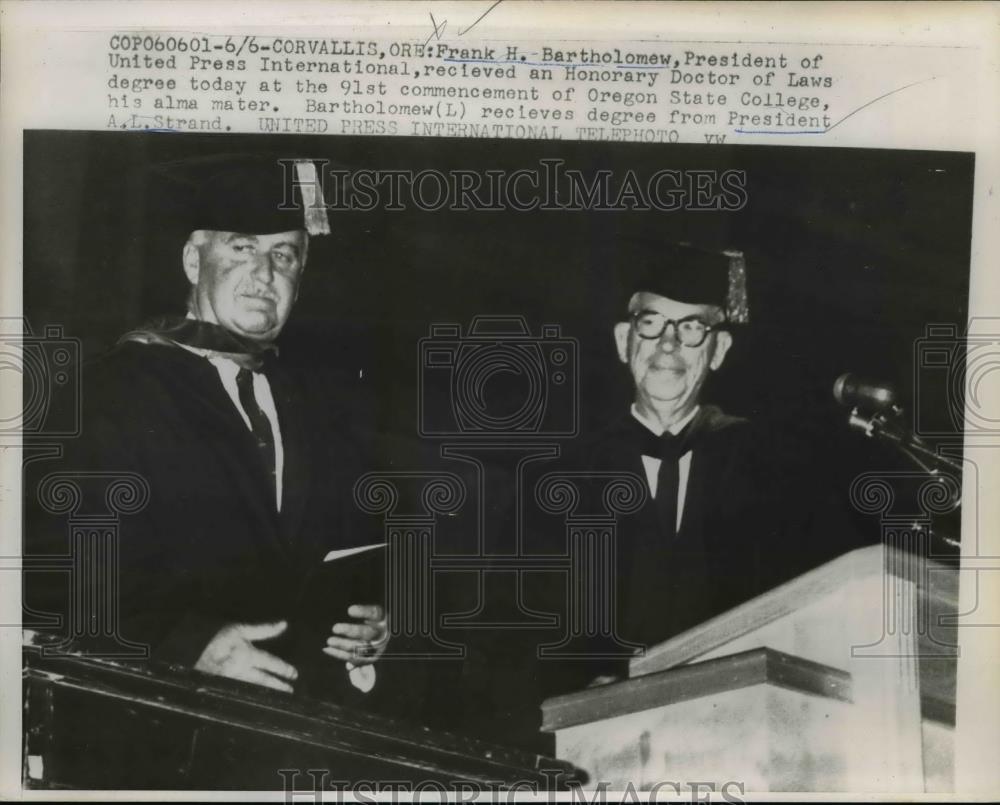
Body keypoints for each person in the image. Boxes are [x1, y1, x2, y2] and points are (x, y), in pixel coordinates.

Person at [26, 155, 389, 702]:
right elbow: (50, 576)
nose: (265, 275)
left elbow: (336, 562)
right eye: (242, 247)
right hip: (159, 723)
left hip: (299, 724)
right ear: (195, 260)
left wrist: (370, 624)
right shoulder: (111, 392)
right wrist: (185, 645)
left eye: (284, 255)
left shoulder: (314, 410)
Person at [533, 242, 855, 695]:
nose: (668, 344)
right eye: (651, 324)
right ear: (622, 340)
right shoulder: (556, 481)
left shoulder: (777, 472)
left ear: (718, 349)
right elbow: (521, 632)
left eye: (691, 328)